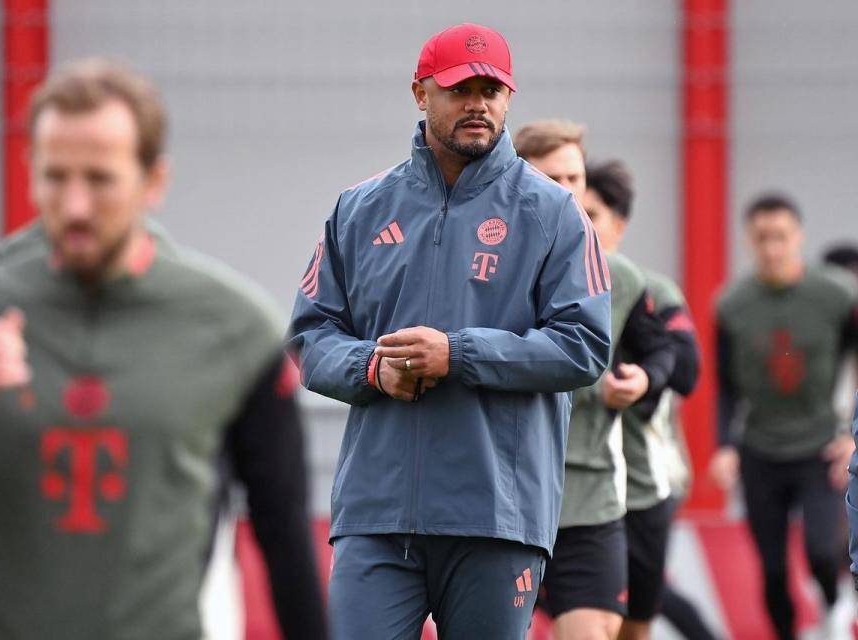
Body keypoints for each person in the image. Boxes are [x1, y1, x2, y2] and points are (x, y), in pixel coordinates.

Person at [0, 59, 327, 640]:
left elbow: (285, 536)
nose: (75, 205)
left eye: (99, 180)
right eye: (55, 177)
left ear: (154, 181)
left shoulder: (236, 330)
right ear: (31, 174)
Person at [289, 24, 612, 640]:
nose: (478, 104)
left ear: (509, 98)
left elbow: (584, 344)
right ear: (420, 93)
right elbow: (310, 336)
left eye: (492, 90)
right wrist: (372, 368)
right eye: (460, 89)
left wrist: (458, 355)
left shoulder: (555, 213)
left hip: (497, 516)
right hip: (376, 512)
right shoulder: (359, 208)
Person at [515, 122, 676, 640]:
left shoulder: (620, 278)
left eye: (574, 178)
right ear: (516, 181)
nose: (567, 193)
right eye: (551, 178)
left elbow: (668, 352)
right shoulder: (486, 268)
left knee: (597, 631)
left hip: (591, 495)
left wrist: (643, 380)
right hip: (506, 496)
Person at [710, 193, 858, 640]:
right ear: (748, 241)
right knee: (772, 569)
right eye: (762, 238)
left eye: (781, 236)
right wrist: (725, 446)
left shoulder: (836, 294)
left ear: (799, 237)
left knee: (821, 551)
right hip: (760, 448)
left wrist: (851, 435)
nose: (772, 248)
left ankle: (833, 609)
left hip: (819, 445)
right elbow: (725, 386)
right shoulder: (732, 304)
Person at [583, 160, 708, 640]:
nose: (580, 225)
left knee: (635, 623)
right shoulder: (537, 287)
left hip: (640, 483)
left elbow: (688, 370)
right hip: (568, 484)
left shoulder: (650, 290)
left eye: (592, 214)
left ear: (619, 225)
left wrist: (642, 377)